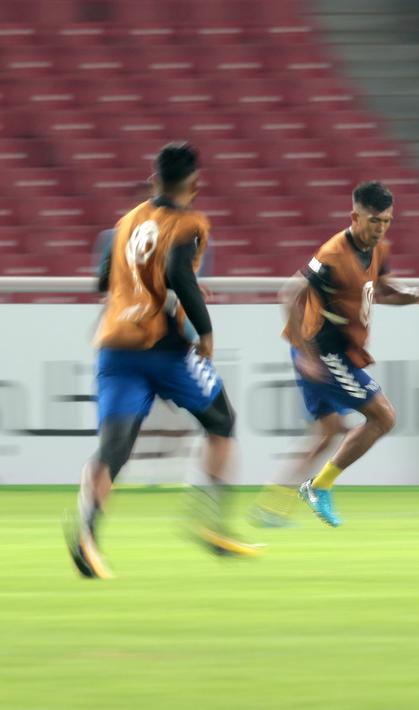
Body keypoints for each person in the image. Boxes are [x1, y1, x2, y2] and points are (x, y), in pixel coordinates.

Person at [66, 142, 261, 580]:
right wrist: (205, 329)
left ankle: (86, 532)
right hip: (166, 349)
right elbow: (177, 272)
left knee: (114, 448)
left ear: (153, 179)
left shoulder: (124, 223)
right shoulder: (190, 222)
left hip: (116, 346)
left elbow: (103, 279)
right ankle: (210, 524)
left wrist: (142, 290)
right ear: (195, 184)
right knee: (222, 420)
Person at [251, 181, 419, 528]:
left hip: (334, 352)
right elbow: (290, 295)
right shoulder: (332, 255)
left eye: (387, 221)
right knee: (383, 418)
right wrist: (306, 354)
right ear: (355, 216)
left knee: (329, 430)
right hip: (324, 351)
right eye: (375, 221)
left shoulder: (378, 249)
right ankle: (319, 487)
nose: (381, 228)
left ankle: (273, 505)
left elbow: (384, 291)